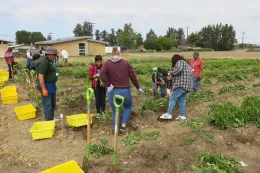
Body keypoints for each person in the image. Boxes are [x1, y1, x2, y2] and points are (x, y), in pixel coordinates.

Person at [100, 47, 144, 132]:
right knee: (128, 107)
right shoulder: (125, 63)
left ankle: (116, 129)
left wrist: (108, 85)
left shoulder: (107, 64)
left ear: (111, 54)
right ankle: (123, 125)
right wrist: (138, 87)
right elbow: (132, 76)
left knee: (115, 111)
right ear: (119, 54)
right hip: (125, 91)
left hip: (113, 92)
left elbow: (102, 73)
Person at [160, 54, 193, 120]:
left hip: (181, 85)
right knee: (181, 100)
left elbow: (178, 70)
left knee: (172, 98)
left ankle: (168, 114)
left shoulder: (180, 62)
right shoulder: (187, 64)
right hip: (188, 86)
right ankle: (182, 115)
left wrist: (169, 73)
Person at [36, 47, 59, 121]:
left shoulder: (49, 60)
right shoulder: (44, 62)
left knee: (52, 102)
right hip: (46, 85)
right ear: (51, 55)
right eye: (55, 55)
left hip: (51, 84)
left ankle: (51, 117)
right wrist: (43, 89)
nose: (55, 57)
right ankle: (49, 120)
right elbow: (41, 76)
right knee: (48, 103)